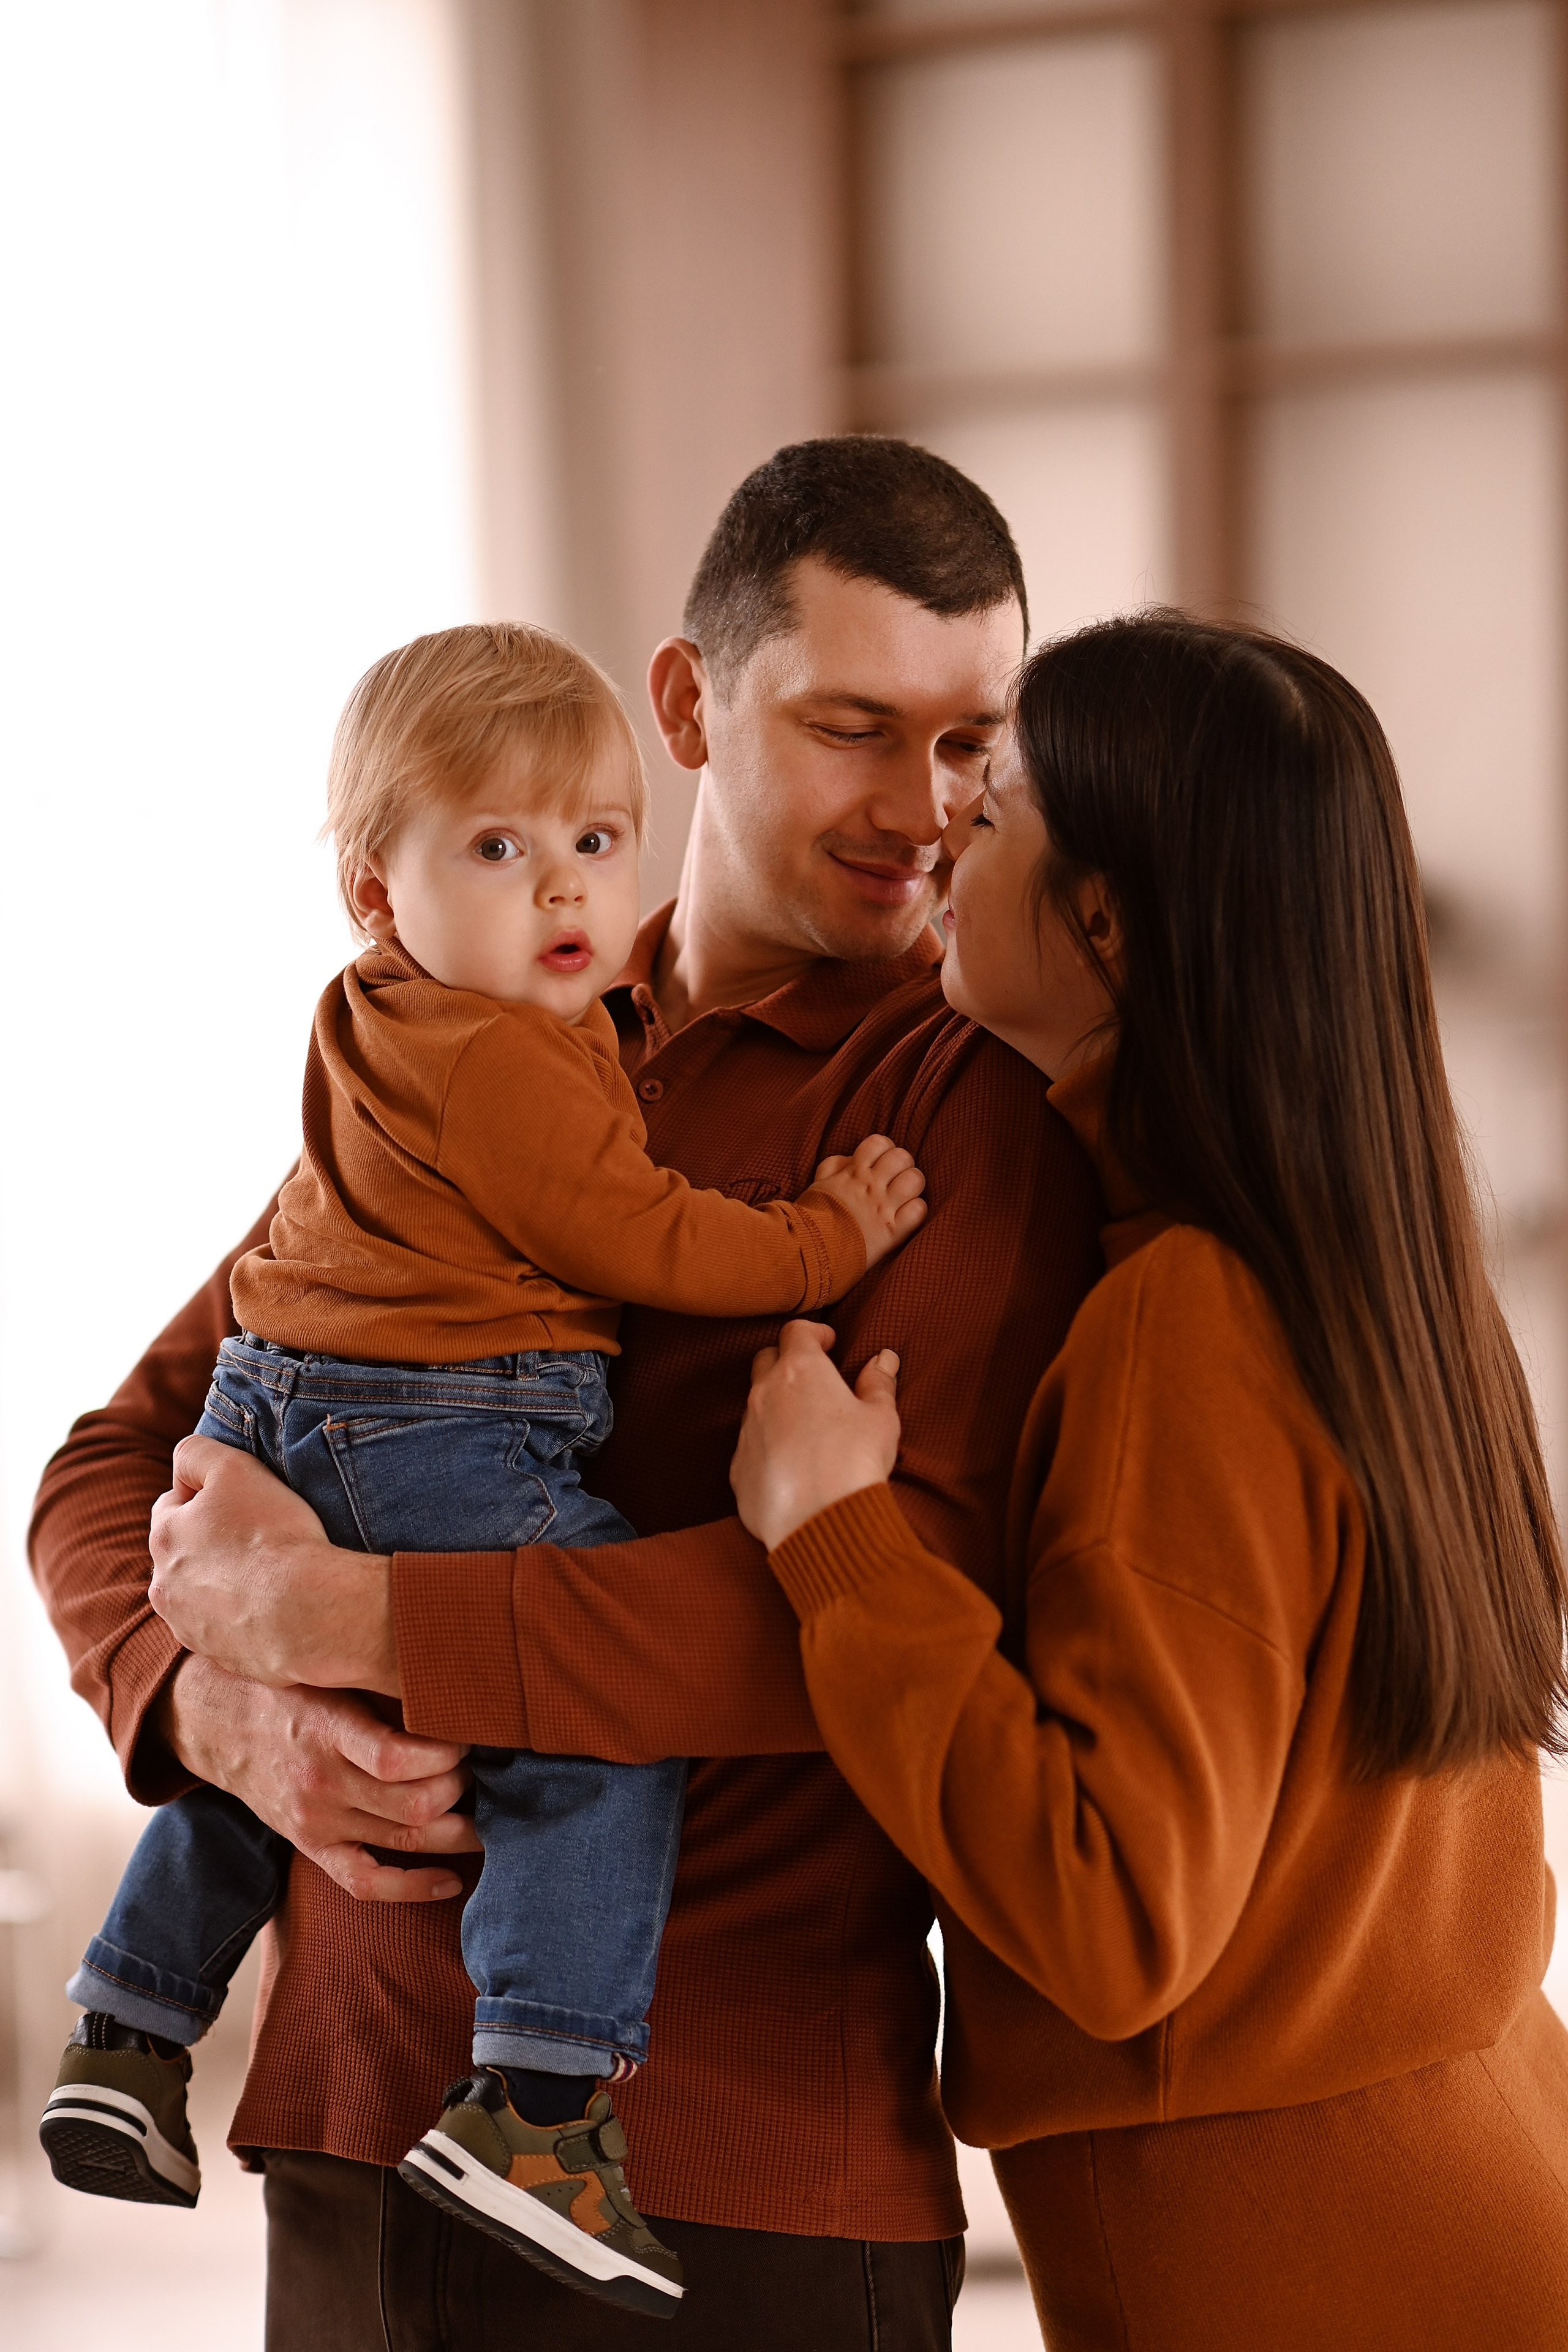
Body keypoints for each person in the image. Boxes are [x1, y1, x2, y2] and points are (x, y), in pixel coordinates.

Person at [32, 437, 1104, 2351]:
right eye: (857, 726)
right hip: (353, 2118)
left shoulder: (960, 1116)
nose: (922, 809)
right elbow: (123, 1459)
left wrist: (351, 1614)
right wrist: (210, 1700)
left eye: (971, 745)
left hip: (720, 2182)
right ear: (688, 704)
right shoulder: (477, 1029)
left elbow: (862, 1623)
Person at [728, 611, 1568, 2351]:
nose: (948, 822)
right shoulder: (1393, 1274)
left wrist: (838, 1543)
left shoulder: (1182, 1319)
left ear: (1103, 922)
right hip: (1485, 2165)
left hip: (1307, 2265)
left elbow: (1113, 1919)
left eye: (1004, 795)